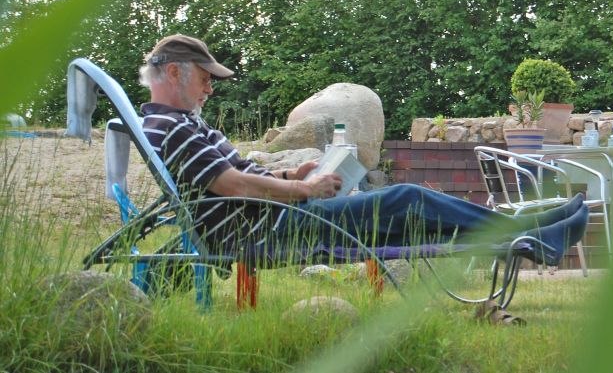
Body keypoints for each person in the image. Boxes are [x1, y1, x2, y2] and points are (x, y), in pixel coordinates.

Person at [138, 34, 588, 266]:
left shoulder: (181, 125)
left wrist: (291, 177)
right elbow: (231, 185)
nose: (210, 90)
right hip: (269, 232)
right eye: (205, 79)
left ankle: (528, 232)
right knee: (408, 200)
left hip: (274, 219)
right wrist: (306, 191)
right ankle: (529, 231)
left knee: (414, 222)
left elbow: (233, 179)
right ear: (174, 73)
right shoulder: (171, 128)